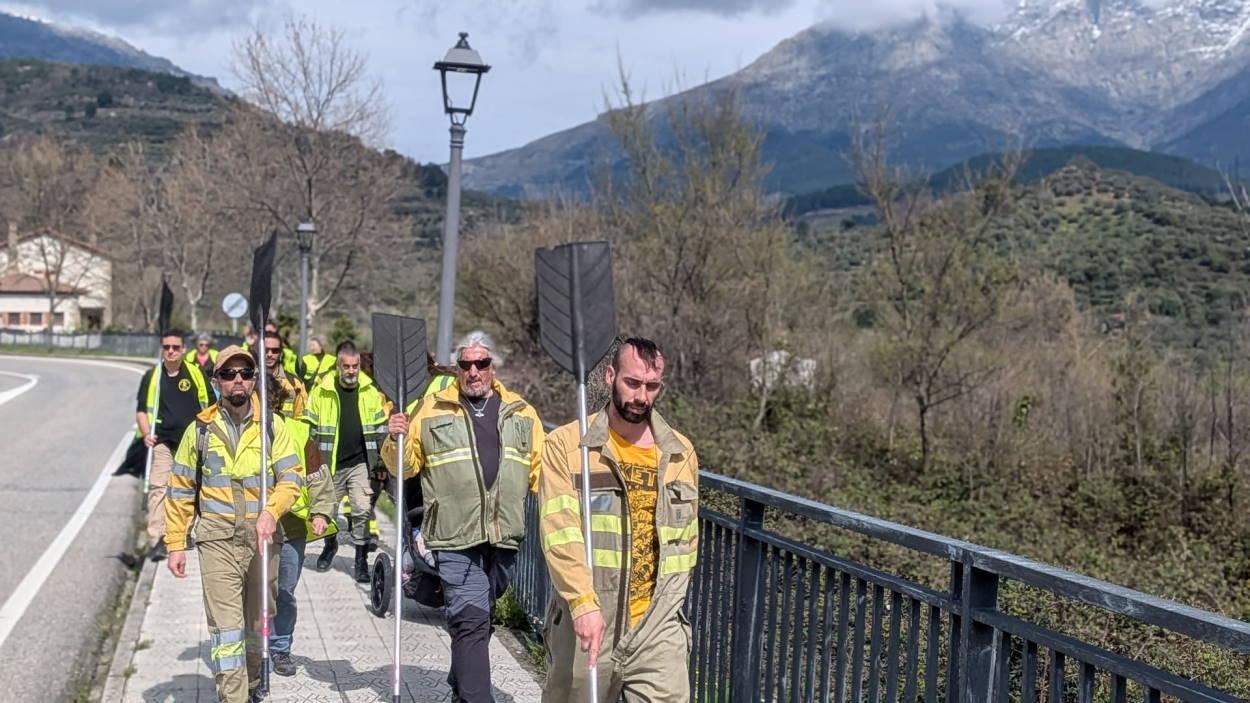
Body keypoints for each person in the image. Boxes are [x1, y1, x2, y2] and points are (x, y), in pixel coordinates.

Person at [383, 330, 545, 703]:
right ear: (457, 368)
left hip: (504, 537)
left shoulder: (522, 412)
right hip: (454, 536)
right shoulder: (431, 408)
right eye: (466, 364)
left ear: (493, 367)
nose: (473, 371)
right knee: (470, 620)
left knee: (481, 618)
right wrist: (395, 438)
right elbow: (403, 466)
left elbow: (542, 473)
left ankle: (460, 687)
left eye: (481, 363)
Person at [539, 338, 699, 703]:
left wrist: (671, 604)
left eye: (652, 386)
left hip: (657, 625)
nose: (641, 396)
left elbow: (687, 539)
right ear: (610, 376)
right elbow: (559, 534)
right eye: (632, 383)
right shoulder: (567, 447)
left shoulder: (680, 452)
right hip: (593, 619)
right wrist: (582, 604)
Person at [163, 346, 305, 703]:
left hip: (262, 540)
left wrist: (271, 512)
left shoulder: (273, 425)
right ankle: (234, 697)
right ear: (216, 382)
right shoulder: (200, 429)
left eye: (244, 373)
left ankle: (254, 683)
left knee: (257, 625)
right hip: (217, 541)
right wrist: (176, 543)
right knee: (227, 633)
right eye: (228, 375)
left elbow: (292, 477)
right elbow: (180, 489)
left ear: (254, 380)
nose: (237, 380)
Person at [261, 332, 337, 677]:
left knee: (285, 590)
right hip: (251, 525)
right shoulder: (239, 430)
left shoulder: (299, 431)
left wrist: (321, 511)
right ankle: (251, 649)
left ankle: (280, 648)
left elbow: (319, 474)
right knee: (254, 589)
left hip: (291, 525)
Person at [304, 340, 392, 580]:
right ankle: (330, 545)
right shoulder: (322, 391)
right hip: (330, 463)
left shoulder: (370, 391)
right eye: (347, 366)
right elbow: (308, 428)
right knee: (327, 510)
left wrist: (381, 463)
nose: (352, 371)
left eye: (355, 366)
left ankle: (361, 559)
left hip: (359, 463)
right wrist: (310, 463)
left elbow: (381, 429)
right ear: (338, 365)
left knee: (362, 509)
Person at [136, 329, 211, 562]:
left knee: (188, 490)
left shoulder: (196, 374)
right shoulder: (153, 377)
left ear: (183, 349)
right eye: (166, 347)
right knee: (159, 488)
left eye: (175, 347)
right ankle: (158, 538)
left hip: (190, 443)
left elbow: (210, 405)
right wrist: (146, 433)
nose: (170, 351)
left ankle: (183, 533)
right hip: (162, 441)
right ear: (162, 348)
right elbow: (141, 410)